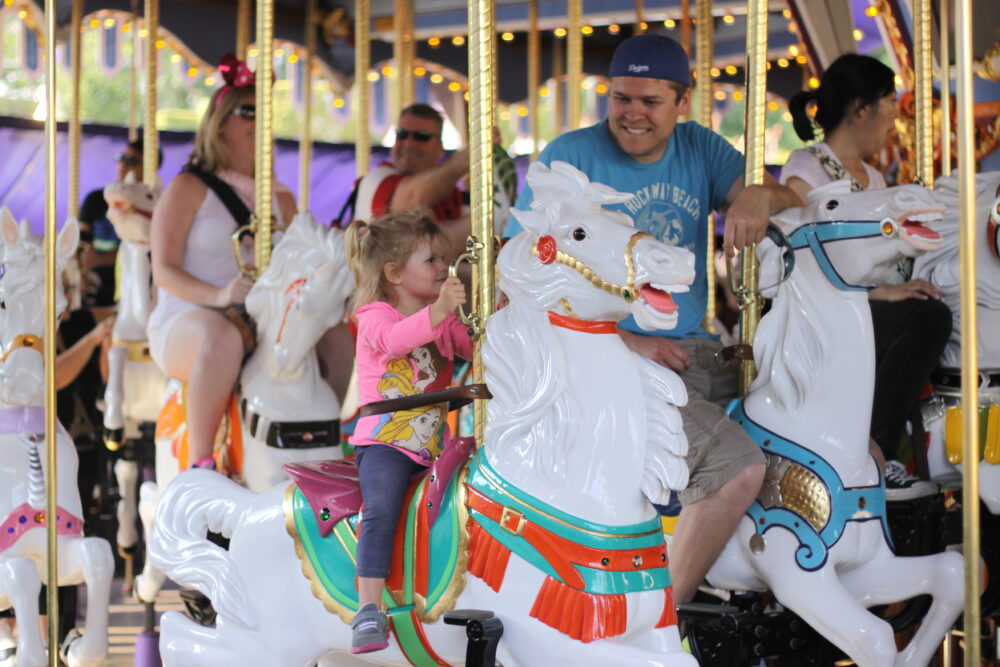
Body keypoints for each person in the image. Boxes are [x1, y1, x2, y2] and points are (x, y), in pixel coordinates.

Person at [505, 32, 801, 605]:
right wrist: (625, 344)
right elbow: (523, 278)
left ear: (683, 101)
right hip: (610, 361)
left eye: (650, 102)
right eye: (621, 99)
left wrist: (760, 195)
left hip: (698, 349)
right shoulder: (571, 158)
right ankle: (661, 623)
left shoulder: (702, 150)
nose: (633, 114)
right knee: (738, 469)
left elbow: (790, 197)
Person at [782, 53, 951, 500]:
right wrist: (886, 291)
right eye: (891, 102)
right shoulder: (808, 167)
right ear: (862, 107)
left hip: (871, 310)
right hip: (828, 313)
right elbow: (802, 252)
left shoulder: (875, 180)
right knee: (928, 318)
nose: (896, 116)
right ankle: (874, 444)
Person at [147, 58, 297, 470]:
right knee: (221, 336)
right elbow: (163, 270)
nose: (260, 120)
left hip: (263, 319)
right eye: (249, 111)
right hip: (190, 315)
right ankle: (201, 467)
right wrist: (219, 295)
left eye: (265, 112)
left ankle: (331, 438)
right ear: (220, 121)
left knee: (337, 336)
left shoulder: (281, 198)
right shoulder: (188, 187)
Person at [343, 210, 471, 653]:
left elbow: (473, 346)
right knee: (381, 509)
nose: (443, 269)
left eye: (445, 260)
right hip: (386, 442)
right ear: (394, 273)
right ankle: (368, 610)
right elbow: (397, 341)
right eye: (432, 261)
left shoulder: (444, 318)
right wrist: (440, 309)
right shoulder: (374, 314)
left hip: (434, 445)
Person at [352, 103, 470, 255]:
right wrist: (472, 154)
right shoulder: (376, 179)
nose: (408, 144)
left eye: (421, 137)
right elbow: (413, 198)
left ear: (441, 148)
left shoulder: (450, 192)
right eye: (402, 134)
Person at [78, 139, 162, 310]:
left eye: (131, 161)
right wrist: (81, 265)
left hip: (136, 278)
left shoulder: (154, 204)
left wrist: (103, 258)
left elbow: (153, 248)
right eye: (121, 158)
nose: (123, 165)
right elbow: (81, 240)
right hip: (95, 281)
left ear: (149, 167)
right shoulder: (96, 199)